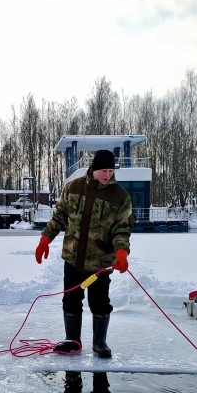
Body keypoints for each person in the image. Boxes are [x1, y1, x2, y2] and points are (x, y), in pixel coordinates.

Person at [35, 149, 134, 358]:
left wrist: (121, 251)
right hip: (73, 258)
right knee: (71, 300)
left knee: (100, 303)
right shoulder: (73, 187)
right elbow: (59, 216)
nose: (108, 175)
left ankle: (100, 343)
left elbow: (122, 229)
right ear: (94, 168)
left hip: (100, 262)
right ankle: (73, 341)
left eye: (111, 171)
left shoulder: (120, 196)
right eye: (104, 170)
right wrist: (45, 239)